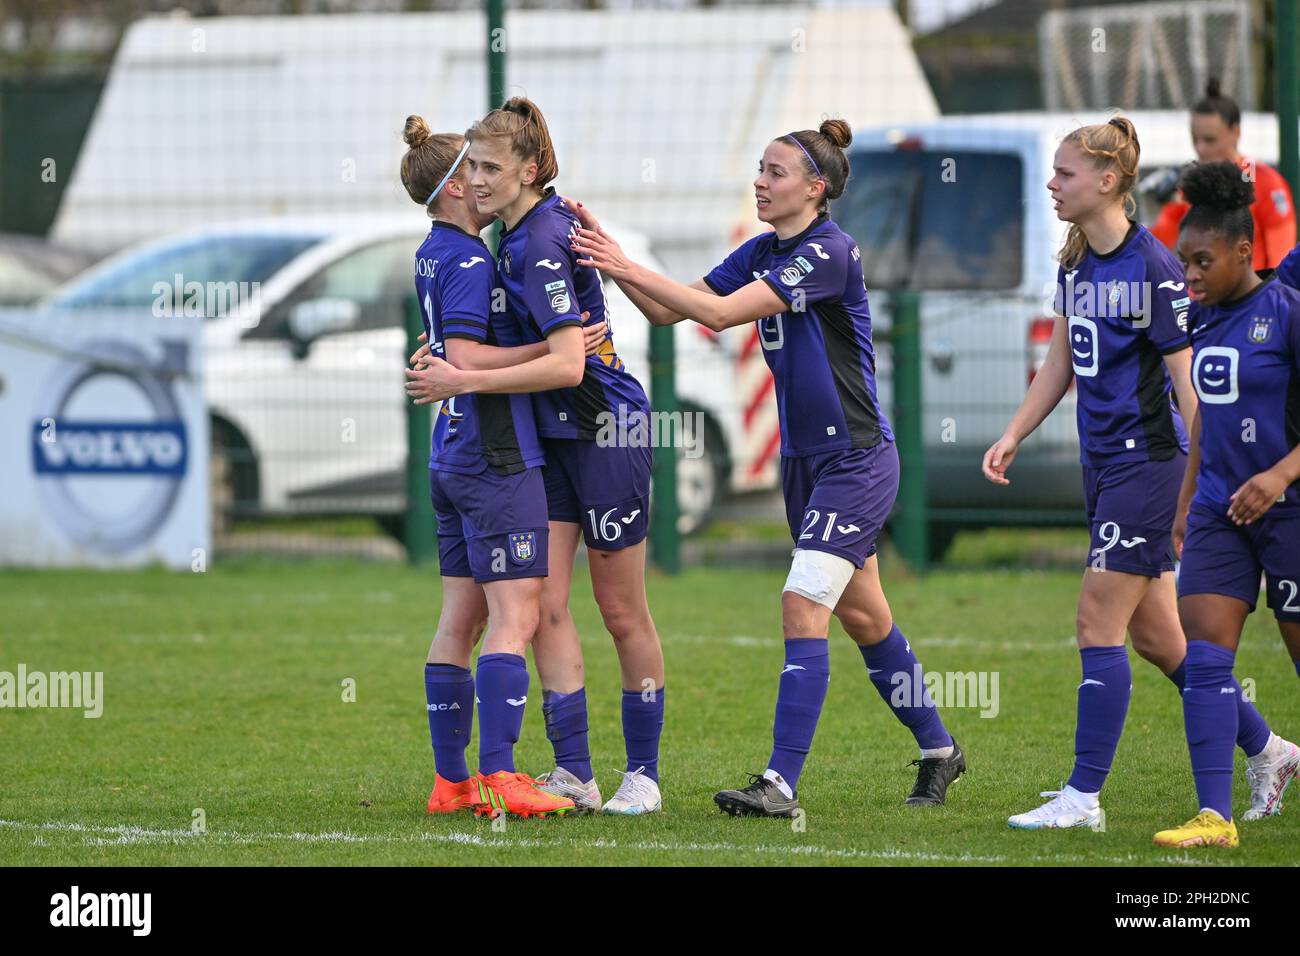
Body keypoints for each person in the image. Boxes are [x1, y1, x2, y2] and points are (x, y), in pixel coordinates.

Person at [567, 119, 966, 817]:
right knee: (866, 618)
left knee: (801, 605)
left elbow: (719, 316)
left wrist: (624, 264)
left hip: (856, 461)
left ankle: (779, 783)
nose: (760, 180)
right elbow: (669, 312)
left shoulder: (828, 253)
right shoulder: (764, 249)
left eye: (775, 172)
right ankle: (940, 750)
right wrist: (611, 261)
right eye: (759, 168)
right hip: (804, 466)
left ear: (816, 188)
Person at [982, 118, 1294, 830]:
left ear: (1109, 182)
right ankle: (1269, 748)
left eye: (1064, 174)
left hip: (1150, 465)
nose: (1053, 185)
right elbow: (1060, 361)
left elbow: (1190, 383)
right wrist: (1012, 433)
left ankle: (1083, 797)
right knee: (1160, 639)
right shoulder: (1077, 265)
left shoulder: (1154, 267)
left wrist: (1204, 478)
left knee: (1097, 620)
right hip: (1105, 467)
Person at [407, 98, 667, 815]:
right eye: (473, 168)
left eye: (491, 167)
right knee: (544, 604)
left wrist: (463, 377)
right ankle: (574, 773)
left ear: (530, 169)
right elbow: (487, 339)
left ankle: (642, 774)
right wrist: (451, 356)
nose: (479, 179)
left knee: (620, 609)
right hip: (544, 440)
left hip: (606, 431)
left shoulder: (545, 238)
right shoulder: (503, 241)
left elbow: (567, 366)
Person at [399, 114, 578, 819]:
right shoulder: (472, 259)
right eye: (469, 172)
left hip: (451, 451)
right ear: (451, 191)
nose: (481, 180)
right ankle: (502, 777)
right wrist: (557, 354)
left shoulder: (434, 251)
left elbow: (449, 350)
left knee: (460, 618)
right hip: (496, 452)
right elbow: (465, 361)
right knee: (518, 613)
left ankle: (451, 782)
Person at [1153, 162, 1300, 849]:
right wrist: (1187, 501)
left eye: (1202, 261)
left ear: (1245, 252)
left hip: (1291, 509)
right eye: (1184, 262)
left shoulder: (1286, 313)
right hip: (1218, 512)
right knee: (1206, 659)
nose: (1190, 275)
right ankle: (1214, 818)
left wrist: (1279, 475)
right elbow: (1207, 418)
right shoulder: (1198, 320)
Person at [1150, 79, 1295, 270]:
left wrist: (1263, 297)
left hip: (1250, 296)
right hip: (1199, 295)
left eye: (1210, 140)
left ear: (1235, 132)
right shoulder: (1189, 181)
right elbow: (1156, 245)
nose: (1200, 148)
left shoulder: (1264, 181)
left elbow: (1282, 259)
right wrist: (1154, 210)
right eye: (1195, 139)